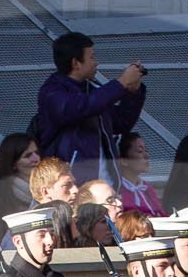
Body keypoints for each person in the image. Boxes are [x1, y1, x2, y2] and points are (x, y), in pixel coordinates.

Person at [34, 33, 146, 186]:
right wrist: (122, 83)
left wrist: (133, 93)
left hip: (105, 187)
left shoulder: (93, 91)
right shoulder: (52, 92)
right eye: (92, 57)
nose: (96, 63)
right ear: (76, 63)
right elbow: (81, 107)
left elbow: (121, 123)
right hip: (70, 187)